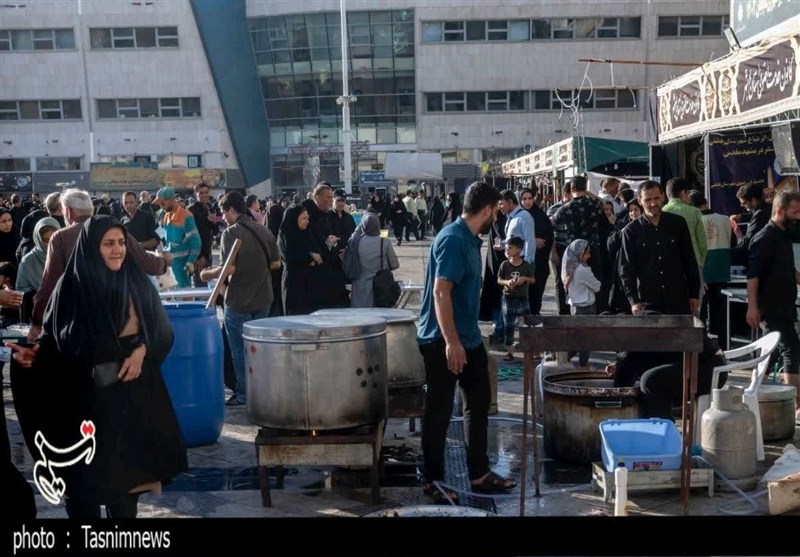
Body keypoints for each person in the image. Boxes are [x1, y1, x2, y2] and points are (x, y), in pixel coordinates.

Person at [9, 216, 187, 519]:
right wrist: (34, 356)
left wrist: (142, 350)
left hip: (128, 401)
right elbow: (57, 340)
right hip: (80, 405)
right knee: (82, 494)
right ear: (92, 246)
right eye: (108, 243)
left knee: (125, 493)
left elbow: (162, 331)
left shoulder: (135, 281)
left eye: (121, 242)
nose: (117, 250)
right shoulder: (70, 287)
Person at [417, 181, 515, 504]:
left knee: (479, 400)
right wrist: (451, 342)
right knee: (440, 411)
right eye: (496, 212)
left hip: (469, 337)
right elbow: (440, 292)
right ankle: (432, 479)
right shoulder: (453, 239)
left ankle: (479, 472)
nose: (497, 218)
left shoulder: (473, 239)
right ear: (486, 210)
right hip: (442, 340)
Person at [29, 189, 169, 343]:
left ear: (68, 212)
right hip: (119, 321)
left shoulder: (61, 237)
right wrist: (164, 260)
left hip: (79, 324)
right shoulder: (114, 231)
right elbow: (150, 265)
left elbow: (49, 285)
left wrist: (37, 322)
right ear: (92, 210)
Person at [200, 192, 281, 407]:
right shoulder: (264, 230)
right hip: (264, 297)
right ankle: (262, 390)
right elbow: (276, 264)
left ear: (231, 210)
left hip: (238, 300)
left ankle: (244, 393)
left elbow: (229, 268)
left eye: (224, 212)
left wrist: (206, 274)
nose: (223, 217)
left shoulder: (231, 233)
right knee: (259, 349)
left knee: (239, 351)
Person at [746, 191, 800, 421]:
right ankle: (796, 404)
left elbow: (788, 270)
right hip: (771, 306)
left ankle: (753, 394)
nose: (798, 216)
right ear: (780, 211)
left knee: (771, 352)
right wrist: (752, 307)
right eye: (795, 212)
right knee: (791, 350)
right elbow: (753, 277)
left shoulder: (784, 235)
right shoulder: (764, 237)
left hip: (786, 304)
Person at [619, 181, 701, 316]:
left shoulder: (678, 224)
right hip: (648, 302)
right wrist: (633, 300)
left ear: (663, 197)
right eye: (648, 200)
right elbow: (627, 269)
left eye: (656, 198)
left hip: (678, 299)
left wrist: (694, 294)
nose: (653, 204)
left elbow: (689, 260)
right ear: (640, 200)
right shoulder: (631, 231)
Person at [690, 191, 731, 348]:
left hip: (703, 272)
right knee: (720, 313)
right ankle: (723, 345)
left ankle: (703, 346)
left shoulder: (696, 220)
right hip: (722, 271)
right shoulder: (725, 219)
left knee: (701, 313)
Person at [301, 183, 349, 310]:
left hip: (331, 267)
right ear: (317, 197)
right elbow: (312, 242)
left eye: (331, 197)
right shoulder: (312, 217)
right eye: (328, 197)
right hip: (316, 273)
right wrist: (327, 244)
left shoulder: (325, 216)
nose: (330, 201)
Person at [662, 178, 708, 304]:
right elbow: (702, 244)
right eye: (688, 193)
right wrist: (700, 264)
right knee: (694, 307)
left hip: (667, 265)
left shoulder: (661, 212)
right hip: (693, 263)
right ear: (683, 193)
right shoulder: (694, 211)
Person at [345, 213, 399, 308]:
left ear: (363, 225)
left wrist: (360, 227)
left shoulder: (356, 242)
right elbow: (394, 264)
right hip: (381, 287)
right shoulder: (384, 242)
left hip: (359, 286)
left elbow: (352, 238)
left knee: (360, 318)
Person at [278, 204, 322, 316]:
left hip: (309, 286)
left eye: (308, 218)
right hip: (293, 284)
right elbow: (292, 257)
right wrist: (310, 259)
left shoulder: (307, 234)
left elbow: (318, 256)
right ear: (294, 219)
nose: (307, 221)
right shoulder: (286, 235)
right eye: (304, 218)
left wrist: (311, 258)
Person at [563, 239, 601, 367]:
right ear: (580, 254)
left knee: (577, 339)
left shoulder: (570, 267)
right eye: (587, 253)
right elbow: (597, 286)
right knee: (586, 340)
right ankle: (583, 366)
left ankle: (564, 359)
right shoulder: (582, 270)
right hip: (586, 307)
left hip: (574, 306)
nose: (589, 256)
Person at [496, 236, 535, 362]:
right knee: (509, 325)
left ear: (519, 250)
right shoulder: (505, 265)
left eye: (511, 248)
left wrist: (524, 279)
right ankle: (509, 351)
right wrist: (508, 282)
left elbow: (533, 279)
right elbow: (499, 280)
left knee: (529, 323)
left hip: (523, 298)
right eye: (507, 248)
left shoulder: (526, 265)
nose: (507, 250)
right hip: (508, 298)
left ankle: (533, 349)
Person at [155, 187, 201, 288]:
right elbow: (167, 240)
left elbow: (196, 241)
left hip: (182, 267)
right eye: (160, 204)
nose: (161, 207)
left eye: (163, 203)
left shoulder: (186, 216)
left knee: (185, 295)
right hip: (170, 267)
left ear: (172, 199)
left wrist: (190, 262)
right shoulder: (166, 216)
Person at [519, 187, 553, 315]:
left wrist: (540, 243)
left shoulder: (541, 216)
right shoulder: (518, 217)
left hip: (539, 261)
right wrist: (533, 241)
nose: (527, 202)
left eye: (529, 198)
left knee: (536, 292)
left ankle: (534, 316)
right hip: (521, 262)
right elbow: (514, 238)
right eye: (524, 199)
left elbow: (549, 236)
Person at [16, 217, 60, 294]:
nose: (51, 244)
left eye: (54, 239)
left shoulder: (65, 255)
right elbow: (20, 290)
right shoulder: (28, 261)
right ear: (39, 240)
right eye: (46, 240)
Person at [731, 183, 770, 268]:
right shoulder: (769, 208)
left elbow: (748, 241)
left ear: (753, 200)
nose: (742, 205)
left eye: (744, 203)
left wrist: (727, 254)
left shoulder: (760, 215)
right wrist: (741, 217)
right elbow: (753, 214)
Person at [188, 183, 216, 287]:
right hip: (198, 255)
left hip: (208, 253)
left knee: (208, 285)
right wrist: (199, 255)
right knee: (200, 286)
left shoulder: (209, 208)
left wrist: (213, 222)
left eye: (206, 192)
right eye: (201, 193)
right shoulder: (191, 210)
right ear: (196, 194)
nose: (204, 195)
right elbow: (191, 235)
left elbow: (215, 231)